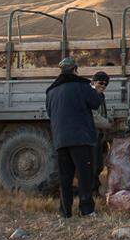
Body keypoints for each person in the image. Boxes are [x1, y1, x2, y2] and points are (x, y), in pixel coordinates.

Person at [45, 57, 104, 217]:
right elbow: (95, 103)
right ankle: (86, 209)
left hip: (60, 140)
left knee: (65, 177)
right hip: (81, 138)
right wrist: (98, 92)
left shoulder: (51, 91)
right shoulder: (82, 86)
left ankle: (65, 211)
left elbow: (50, 113)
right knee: (85, 176)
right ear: (75, 70)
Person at [90, 71, 112, 194]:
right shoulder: (91, 95)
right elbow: (94, 117)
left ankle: (94, 187)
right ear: (93, 82)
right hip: (90, 135)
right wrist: (108, 124)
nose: (103, 86)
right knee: (93, 164)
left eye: (105, 84)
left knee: (98, 164)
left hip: (97, 135)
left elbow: (101, 114)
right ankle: (91, 190)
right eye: (101, 83)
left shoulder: (100, 96)